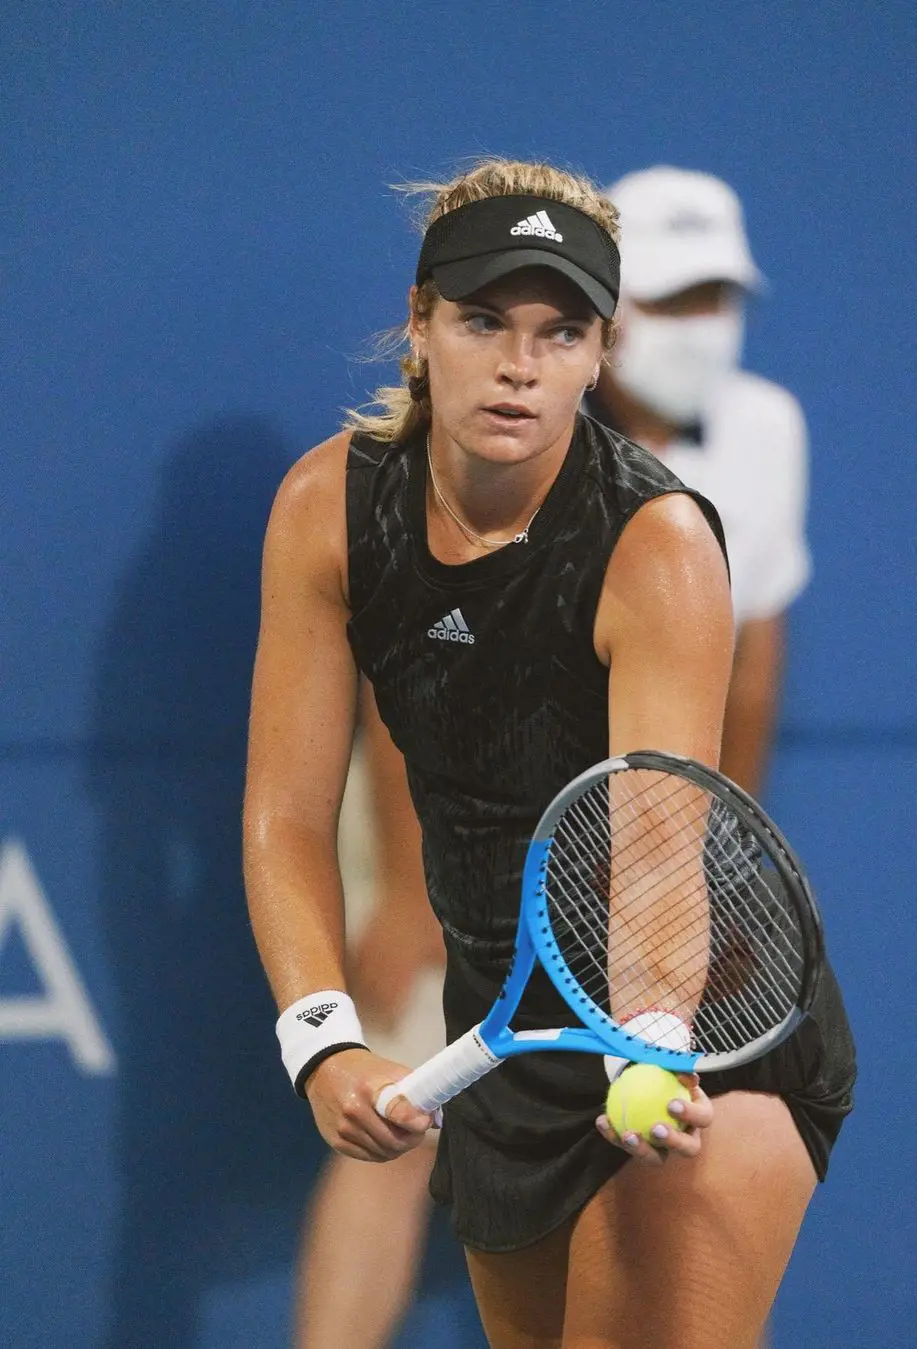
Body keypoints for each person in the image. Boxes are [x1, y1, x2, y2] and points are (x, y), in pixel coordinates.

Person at [244, 157, 856, 1349]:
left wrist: (653, 1044)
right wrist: (321, 1035)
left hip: (697, 1019)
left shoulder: (659, 542)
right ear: (419, 325)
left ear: (599, 352)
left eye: (561, 329)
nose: (520, 363)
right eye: (483, 320)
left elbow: (663, 838)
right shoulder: (326, 508)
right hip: (506, 1008)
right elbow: (285, 814)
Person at [588, 166, 811, 797]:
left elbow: (752, 654)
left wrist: (726, 848)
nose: (699, 326)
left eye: (713, 299)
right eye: (670, 300)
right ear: (607, 305)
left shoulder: (769, 427)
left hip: (660, 820)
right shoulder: (527, 425)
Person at [292, 677, 448, 1349]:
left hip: (622, 832)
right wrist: (413, 889)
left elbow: (749, 679)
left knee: (651, 1174)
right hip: (435, 824)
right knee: (393, 1137)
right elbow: (405, 663)